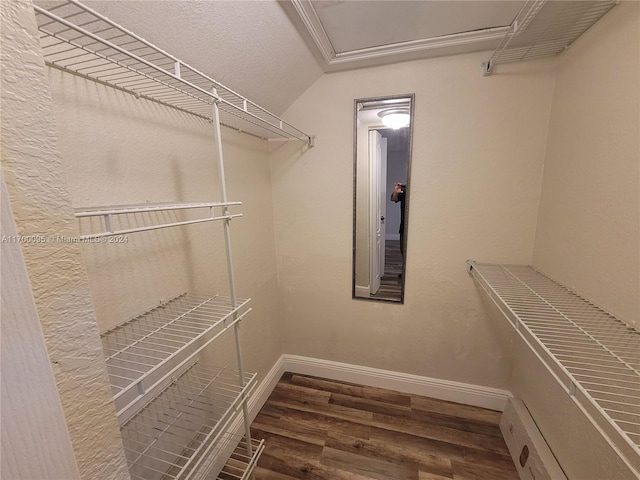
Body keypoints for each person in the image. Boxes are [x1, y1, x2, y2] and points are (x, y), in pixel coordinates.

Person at [390, 182, 406, 258]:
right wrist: (396, 191)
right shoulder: (405, 189)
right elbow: (393, 198)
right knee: (403, 251)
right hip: (404, 226)